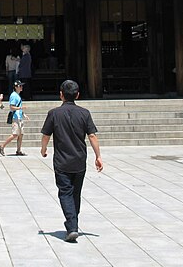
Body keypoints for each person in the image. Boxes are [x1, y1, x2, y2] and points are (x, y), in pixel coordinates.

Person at [40, 80, 103, 243]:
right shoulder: (84, 113)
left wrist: (43, 149)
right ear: (77, 95)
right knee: (75, 193)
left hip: (62, 161)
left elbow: (46, 135)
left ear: (61, 94)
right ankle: (73, 222)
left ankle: (72, 226)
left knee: (65, 192)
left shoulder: (54, 113)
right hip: (79, 161)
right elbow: (92, 135)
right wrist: (98, 156)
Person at [0, 81, 26, 157]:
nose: (21, 87)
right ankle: (2, 146)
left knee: (21, 134)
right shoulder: (14, 95)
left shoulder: (17, 95)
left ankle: (19, 150)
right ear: (16, 87)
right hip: (15, 117)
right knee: (15, 134)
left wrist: (23, 113)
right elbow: (12, 107)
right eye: (20, 86)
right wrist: (20, 108)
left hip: (19, 116)